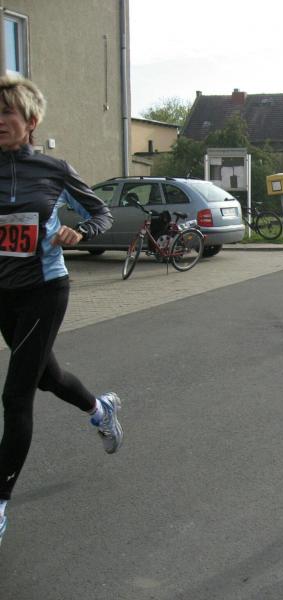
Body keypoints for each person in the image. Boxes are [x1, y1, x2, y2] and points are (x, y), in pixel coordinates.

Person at [0, 75, 121, 548]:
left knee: (15, 396)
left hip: (44, 290)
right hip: (3, 294)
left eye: (6, 113)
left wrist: (80, 233)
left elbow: (101, 213)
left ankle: (0, 500)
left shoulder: (53, 169)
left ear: (31, 121)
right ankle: (100, 408)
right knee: (47, 377)